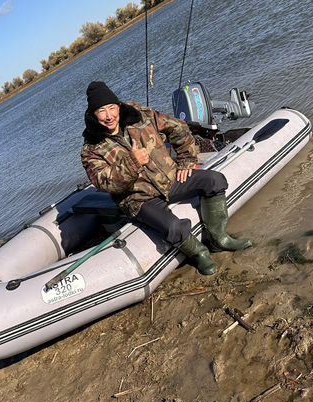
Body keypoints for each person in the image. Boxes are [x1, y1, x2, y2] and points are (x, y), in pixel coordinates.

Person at [80, 81, 252, 276]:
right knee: (172, 226)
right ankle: (200, 253)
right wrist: (133, 162)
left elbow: (177, 127)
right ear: (93, 114)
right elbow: (106, 183)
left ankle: (219, 239)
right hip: (138, 198)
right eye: (102, 111)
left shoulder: (138, 115)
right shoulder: (91, 149)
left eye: (112, 108)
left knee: (215, 180)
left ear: (118, 106)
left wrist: (186, 158)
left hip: (169, 179)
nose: (109, 116)